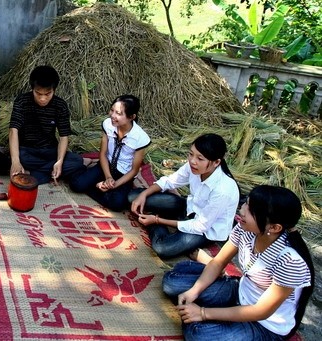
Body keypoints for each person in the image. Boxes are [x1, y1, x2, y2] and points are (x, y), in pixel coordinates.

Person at [162, 185, 314, 340]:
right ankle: (218, 310)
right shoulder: (245, 228)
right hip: (239, 292)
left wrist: (203, 313)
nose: (242, 210)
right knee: (171, 283)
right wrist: (194, 291)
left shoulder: (290, 261)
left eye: (251, 211)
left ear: (274, 227)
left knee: (197, 334)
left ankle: (217, 315)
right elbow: (218, 262)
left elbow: (261, 311)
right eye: (246, 203)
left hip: (263, 324)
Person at [129, 133, 239, 258]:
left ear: (216, 162)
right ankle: (161, 217)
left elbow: (200, 226)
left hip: (206, 229)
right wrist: (144, 194)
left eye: (200, 158)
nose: (192, 161)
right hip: (189, 208)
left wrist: (157, 220)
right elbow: (170, 181)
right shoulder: (193, 166)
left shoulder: (223, 190)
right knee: (133, 197)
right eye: (191, 154)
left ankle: (155, 222)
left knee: (162, 248)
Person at [69, 95, 150, 211]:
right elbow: (102, 154)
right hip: (105, 166)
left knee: (117, 204)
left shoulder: (140, 138)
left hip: (123, 175)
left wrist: (113, 184)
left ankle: (98, 186)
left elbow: (134, 171)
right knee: (76, 184)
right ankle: (94, 181)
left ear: (131, 117)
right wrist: (108, 177)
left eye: (119, 113)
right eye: (112, 110)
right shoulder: (108, 125)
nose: (112, 115)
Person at [8, 65, 86, 185]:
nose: (43, 98)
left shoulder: (60, 106)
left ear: (54, 90)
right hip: (27, 151)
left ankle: (32, 175)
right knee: (18, 158)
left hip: (49, 150)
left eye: (47, 94)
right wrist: (15, 161)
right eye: (38, 93)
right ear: (32, 89)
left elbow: (64, 137)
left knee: (77, 161)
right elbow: (13, 131)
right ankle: (45, 173)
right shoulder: (22, 101)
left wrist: (59, 162)